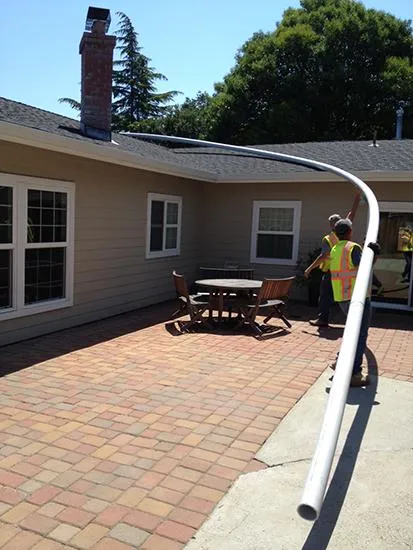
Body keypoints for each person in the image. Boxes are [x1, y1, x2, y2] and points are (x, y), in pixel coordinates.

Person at [328, 218, 380, 387]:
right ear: (350, 232)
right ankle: (354, 373)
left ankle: (340, 361)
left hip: (341, 297)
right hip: (357, 298)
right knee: (359, 335)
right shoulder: (353, 248)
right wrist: (374, 254)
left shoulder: (335, 248)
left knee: (352, 333)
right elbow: (364, 267)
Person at [305, 190, 362, 327]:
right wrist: (357, 197)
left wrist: (309, 268)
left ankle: (323, 319)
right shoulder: (346, 230)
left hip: (333, 273)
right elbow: (351, 214)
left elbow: (323, 256)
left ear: (332, 225)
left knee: (325, 297)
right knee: (348, 297)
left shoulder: (328, 238)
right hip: (349, 271)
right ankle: (353, 321)